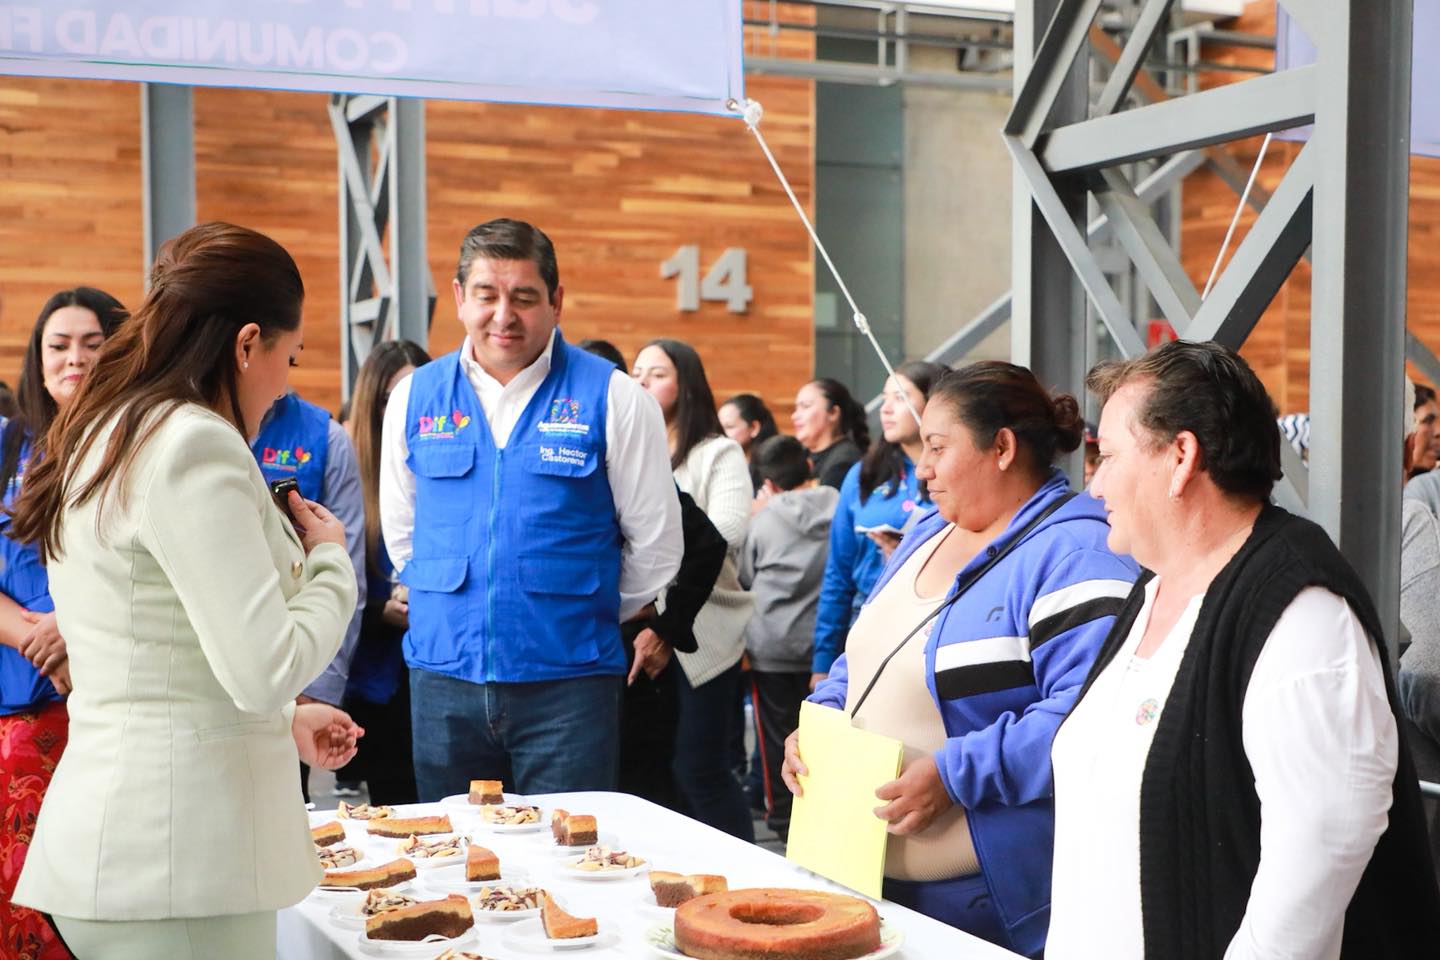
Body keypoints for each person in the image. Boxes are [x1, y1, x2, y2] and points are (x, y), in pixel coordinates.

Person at [10, 222, 362, 958]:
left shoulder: (105, 428)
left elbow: (160, 649)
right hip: (177, 866)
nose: (287, 382)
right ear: (246, 344)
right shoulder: (192, 443)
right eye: (288, 358)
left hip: (138, 850)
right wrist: (330, 564)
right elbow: (262, 670)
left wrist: (284, 727)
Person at [1047, 339, 1440, 959]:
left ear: (1180, 457)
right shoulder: (1154, 587)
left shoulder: (1301, 615)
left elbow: (1315, 867)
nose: (1092, 483)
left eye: (1108, 456)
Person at [783, 362, 1137, 955]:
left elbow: (1083, 716)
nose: (921, 469)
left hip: (984, 908)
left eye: (938, 448)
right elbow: (867, 650)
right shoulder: (926, 531)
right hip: (854, 877)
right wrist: (819, 719)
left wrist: (953, 775)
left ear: (1001, 447)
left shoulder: (1078, 553)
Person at [380, 218, 682, 799]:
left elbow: (657, 545)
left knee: (567, 859)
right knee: (453, 857)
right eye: (487, 296)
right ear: (461, 298)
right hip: (443, 677)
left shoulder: (615, 397)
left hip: (568, 686)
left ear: (556, 301)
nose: (504, 316)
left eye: (524, 297)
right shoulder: (414, 396)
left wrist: (578, 602)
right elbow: (402, 531)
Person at [0, 286, 127, 960]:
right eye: (59, 344)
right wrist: (35, 634)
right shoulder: (5, 446)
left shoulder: (139, 448)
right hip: (21, 718)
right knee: (20, 898)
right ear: (37, 358)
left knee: (100, 898)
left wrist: (75, 624)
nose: (74, 357)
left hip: (112, 712)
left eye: (91, 342)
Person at [577, 338, 728, 810]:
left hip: (627, 655)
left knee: (643, 800)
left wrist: (664, 627)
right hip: (560, 656)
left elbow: (708, 543)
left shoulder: (637, 464)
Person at [633, 338, 756, 840]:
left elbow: (727, 531)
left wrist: (655, 538)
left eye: (656, 373)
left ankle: (750, 874)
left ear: (686, 384)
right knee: (655, 773)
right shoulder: (632, 447)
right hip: (637, 626)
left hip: (706, 627)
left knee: (700, 769)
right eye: (636, 370)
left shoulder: (717, 451)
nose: (640, 380)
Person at [330, 340, 433, 806]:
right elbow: (322, 578)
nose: (405, 407)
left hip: (441, 670)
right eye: (393, 396)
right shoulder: (349, 471)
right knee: (396, 810)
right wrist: (377, 610)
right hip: (378, 679)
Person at [252, 387, 367, 800]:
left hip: (298, 676)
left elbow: (346, 569)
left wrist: (308, 696)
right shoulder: (180, 430)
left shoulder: (324, 436)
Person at [811, 361, 946, 684]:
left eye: (900, 398)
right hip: (865, 621)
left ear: (936, 403)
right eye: (884, 399)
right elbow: (838, 574)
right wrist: (823, 658)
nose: (886, 409)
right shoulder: (863, 475)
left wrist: (909, 553)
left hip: (931, 627)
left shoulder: (954, 472)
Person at [739, 434, 838, 840]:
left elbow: (746, 574)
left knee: (776, 737)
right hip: (824, 645)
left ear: (767, 482)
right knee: (822, 735)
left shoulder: (762, 518)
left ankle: (781, 819)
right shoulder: (838, 504)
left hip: (773, 645)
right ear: (809, 468)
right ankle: (822, 816)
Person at [792, 378, 868, 489]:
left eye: (805, 406)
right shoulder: (798, 455)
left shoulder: (844, 461)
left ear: (833, 413)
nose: (794, 416)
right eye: (796, 408)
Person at [719, 393, 779, 462]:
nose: (720, 433)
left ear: (754, 428)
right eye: (719, 427)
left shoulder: (774, 466)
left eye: (729, 427)